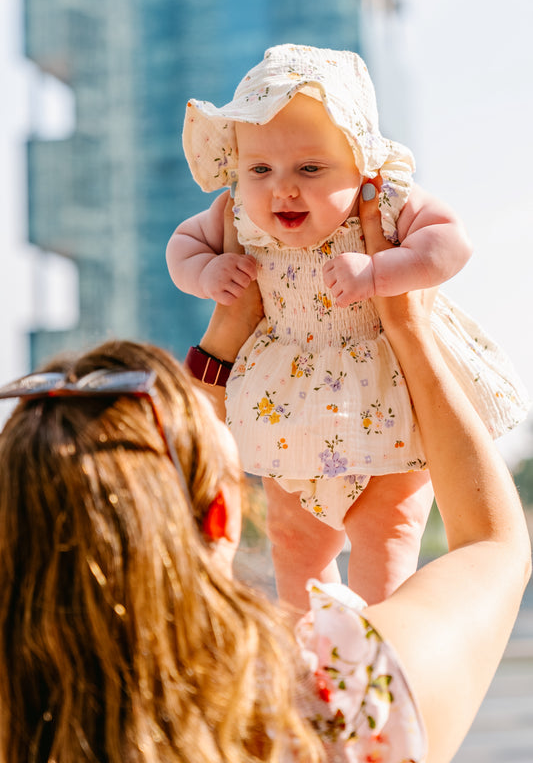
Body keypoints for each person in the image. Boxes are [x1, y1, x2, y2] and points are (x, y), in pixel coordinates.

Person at [0, 191, 530, 763]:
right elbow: (494, 544)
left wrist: (227, 335)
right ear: (221, 515)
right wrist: (409, 331)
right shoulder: (325, 711)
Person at [167, 43, 530, 611]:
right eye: (260, 169)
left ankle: (371, 645)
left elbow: (451, 243)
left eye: (310, 168)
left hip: (388, 397)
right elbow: (180, 247)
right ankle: (311, 650)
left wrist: (383, 269)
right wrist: (209, 272)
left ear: (363, 163)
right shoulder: (235, 214)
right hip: (288, 409)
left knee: (386, 539)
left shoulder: (387, 202)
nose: (283, 188)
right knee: (292, 543)